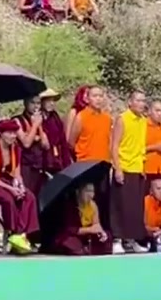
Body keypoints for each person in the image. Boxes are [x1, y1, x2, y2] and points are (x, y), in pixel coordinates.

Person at [0, 119, 38, 254]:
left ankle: (22, 234)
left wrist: (20, 186)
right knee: (8, 199)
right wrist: (12, 189)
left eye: (14, 133)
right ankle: (13, 232)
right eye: (10, 133)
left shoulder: (16, 148)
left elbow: (17, 173)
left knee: (29, 197)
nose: (13, 136)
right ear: (0, 133)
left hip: (8, 182)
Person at [110, 89, 148, 253]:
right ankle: (117, 239)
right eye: (138, 100)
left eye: (143, 101)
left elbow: (141, 145)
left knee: (135, 207)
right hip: (124, 166)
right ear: (130, 102)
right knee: (120, 205)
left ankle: (131, 239)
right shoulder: (122, 118)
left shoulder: (143, 121)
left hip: (137, 167)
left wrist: (143, 166)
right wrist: (117, 168)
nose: (141, 104)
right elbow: (114, 145)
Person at [69, 86, 113, 227]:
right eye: (94, 96)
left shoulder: (107, 118)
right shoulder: (81, 116)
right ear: (87, 99)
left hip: (103, 164)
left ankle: (101, 230)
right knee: (85, 198)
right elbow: (71, 142)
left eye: (100, 96)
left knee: (103, 198)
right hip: (85, 164)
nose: (98, 99)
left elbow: (109, 141)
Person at [51, 182, 111, 256]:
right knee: (70, 242)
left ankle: (87, 249)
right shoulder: (70, 206)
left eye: (92, 191)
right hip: (73, 235)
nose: (91, 195)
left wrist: (101, 232)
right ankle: (83, 249)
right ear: (78, 192)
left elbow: (96, 224)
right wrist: (90, 229)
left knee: (107, 236)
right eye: (87, 191)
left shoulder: (93, 205)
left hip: (87, 236)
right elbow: (70, 229)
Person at [15, 96, 49, 199]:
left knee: (38, 197)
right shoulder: (17, 120)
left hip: (39, 165)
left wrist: (39, 126)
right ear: (25, 103)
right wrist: (35, 126)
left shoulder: (40, 120)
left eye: (38, 103)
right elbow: (26, 143)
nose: (36, 106)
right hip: (25, 166)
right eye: (32, 103)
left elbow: (46, 145)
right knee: (27, 197)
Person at [39, 89, 72, 175]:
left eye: (53, 101)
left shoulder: (55, 117)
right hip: (42, 159)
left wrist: (67, 162)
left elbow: (62, 139)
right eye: (48, 101)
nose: (52, 103)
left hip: (57, 157)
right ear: (42, 102)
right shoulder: (36, 118)